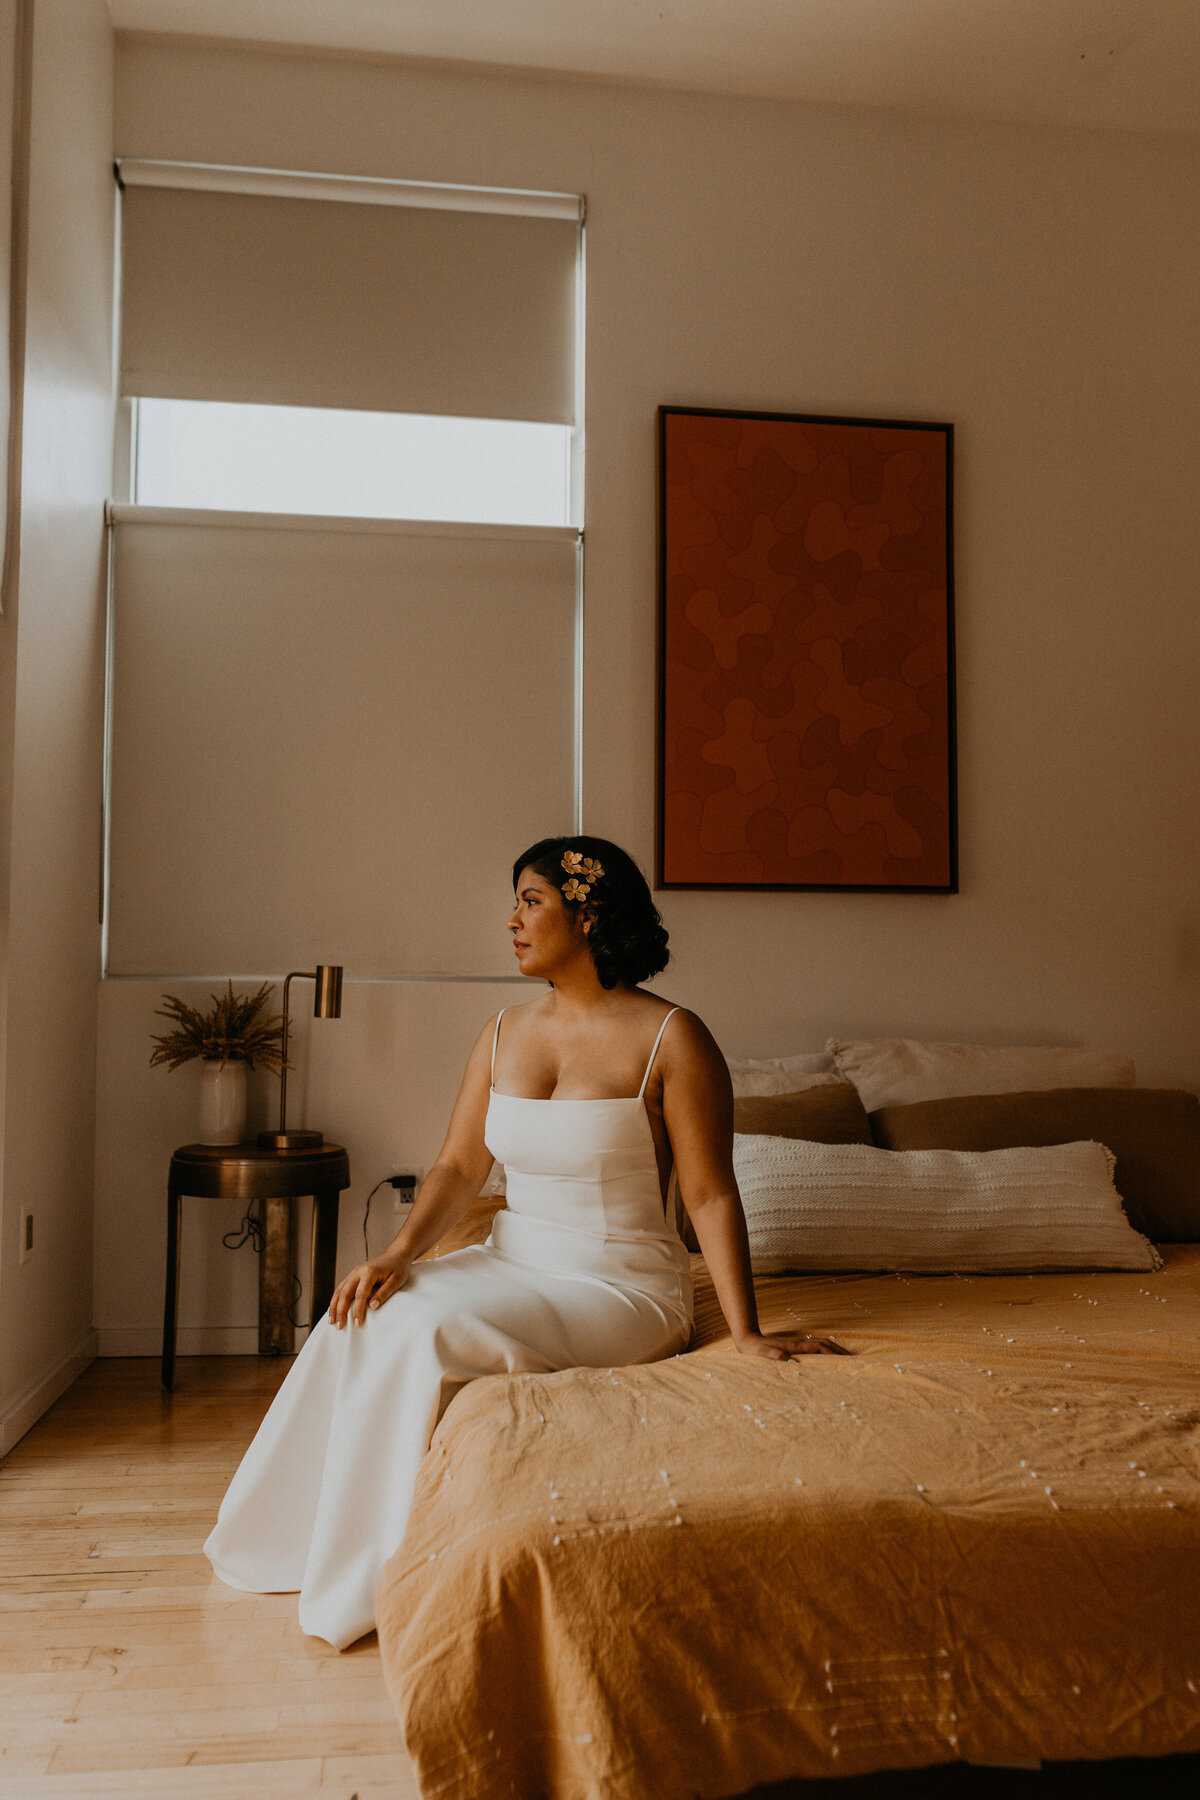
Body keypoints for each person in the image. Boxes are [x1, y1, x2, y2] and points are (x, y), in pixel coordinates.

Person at [205, 835, 847, 1649]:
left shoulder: (674, 1038)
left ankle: (373, 1574)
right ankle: (292, 1539)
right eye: (514, 902)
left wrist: (745, 1331)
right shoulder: (502, 1031)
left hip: (620, 1286)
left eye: (530, 901)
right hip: (513, 1259)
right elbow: (458, 1164)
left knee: (423, 1328)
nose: (511, 920)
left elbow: (709, 1191)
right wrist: (399, 1253)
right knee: (366, 1307)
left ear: (588, 912)